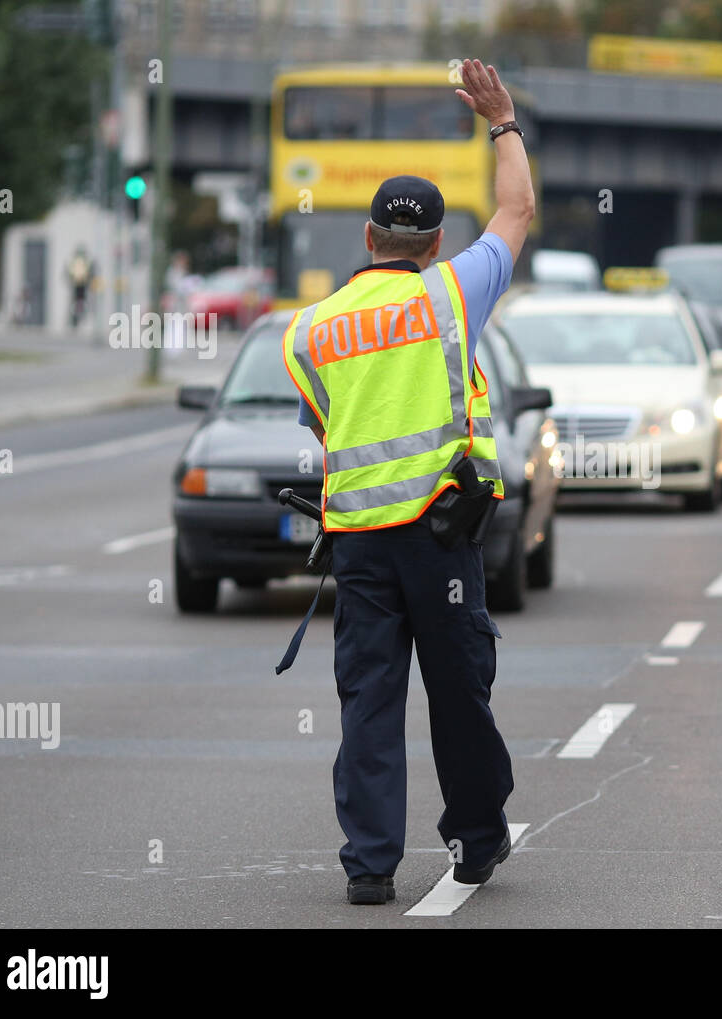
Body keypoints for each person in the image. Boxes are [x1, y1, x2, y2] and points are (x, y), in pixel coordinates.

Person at [281, 59, 535, 906]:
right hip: (440, 535)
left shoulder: (307, 333)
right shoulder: (452, 294)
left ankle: (368, 866)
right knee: (459, 692)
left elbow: (328, 427)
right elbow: (517, 209)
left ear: (367, 239)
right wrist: (502, 123)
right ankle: (475, 840)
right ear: (432, 244)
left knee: (369, 702)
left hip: (358, 546)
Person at [65, 247, 94, 329]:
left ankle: (75, 317)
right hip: (83, 285)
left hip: (75, 284)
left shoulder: (74, 261)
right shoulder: (85, 262)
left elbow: (69, 273)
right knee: (82, 300)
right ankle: (80, 315)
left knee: (75, 301)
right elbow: (89, 273)